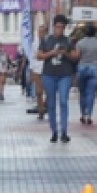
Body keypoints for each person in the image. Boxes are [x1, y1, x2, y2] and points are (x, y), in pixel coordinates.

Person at [36, 16, 79, 144]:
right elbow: (38, 55)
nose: (60, 29)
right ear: (54, 27)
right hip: (49, 75)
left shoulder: (68, 41)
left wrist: (65, 53)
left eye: (62, 27)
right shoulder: (46, 40)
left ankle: (64, 131)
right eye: (58, 27)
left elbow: (75, 57)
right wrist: (52, 53)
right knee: (51, 104)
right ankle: (54, 131)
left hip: (64, 75)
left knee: (63, 101)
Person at [74, 23, 97, 126]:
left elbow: (77, 56)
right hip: (94, 68)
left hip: (82, 68)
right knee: (91, 93)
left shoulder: (80, 43)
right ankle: (89, 116)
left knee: (82, 93)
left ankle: (82, 114)